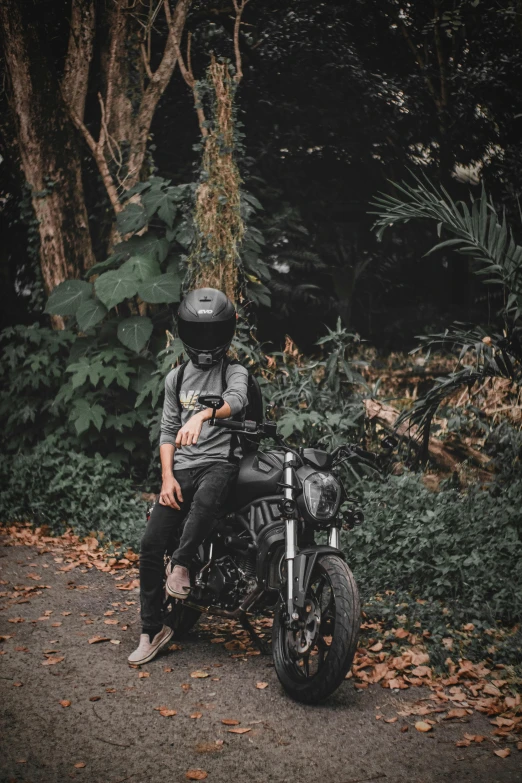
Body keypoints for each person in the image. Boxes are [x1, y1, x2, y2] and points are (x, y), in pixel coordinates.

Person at [128, 288, 248, 665]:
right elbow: (167, 432)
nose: (206, 342)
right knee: (149, 544)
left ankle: (181, 566)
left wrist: (202, 415)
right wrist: (167, 477)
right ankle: (151, 629)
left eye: (213, 333)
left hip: (219, 464)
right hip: (181, 470)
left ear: (226, 333)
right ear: (185, 333)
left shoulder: (235, 371)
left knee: (208, 496)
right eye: (199, 333)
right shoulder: (176, 379)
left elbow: (238, 401)